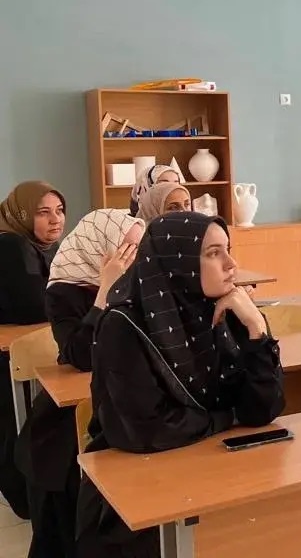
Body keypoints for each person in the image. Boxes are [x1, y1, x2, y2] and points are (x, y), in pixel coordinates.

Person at [76, 212, 284, 557]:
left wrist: (256, 328)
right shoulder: (123, 326)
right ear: (178, 263)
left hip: (214, 475)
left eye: (228, 250)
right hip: (135, 504)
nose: (231, 264)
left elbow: (264, 408)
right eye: (214, 253)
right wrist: (229, 417)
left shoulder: (226, 309)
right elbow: (149, 430)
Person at [18, 209, 142, 557]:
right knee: (71, 476)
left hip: (119, 396)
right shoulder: (63, 289)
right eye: (125, 249)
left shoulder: (139, 283)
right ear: (102, 247)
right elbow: (80, 355)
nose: (133, 258)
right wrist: (105, 290)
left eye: (138, 248)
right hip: (63, 416)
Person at [0, 180, 65, 519]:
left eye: (60, 210)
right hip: (9, 356)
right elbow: (37, 304)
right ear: (22, 214)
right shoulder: (11, 244)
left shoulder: (41, 246)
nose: (56, 219)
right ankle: (27, 498)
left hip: (26, 348)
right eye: (43, 212)